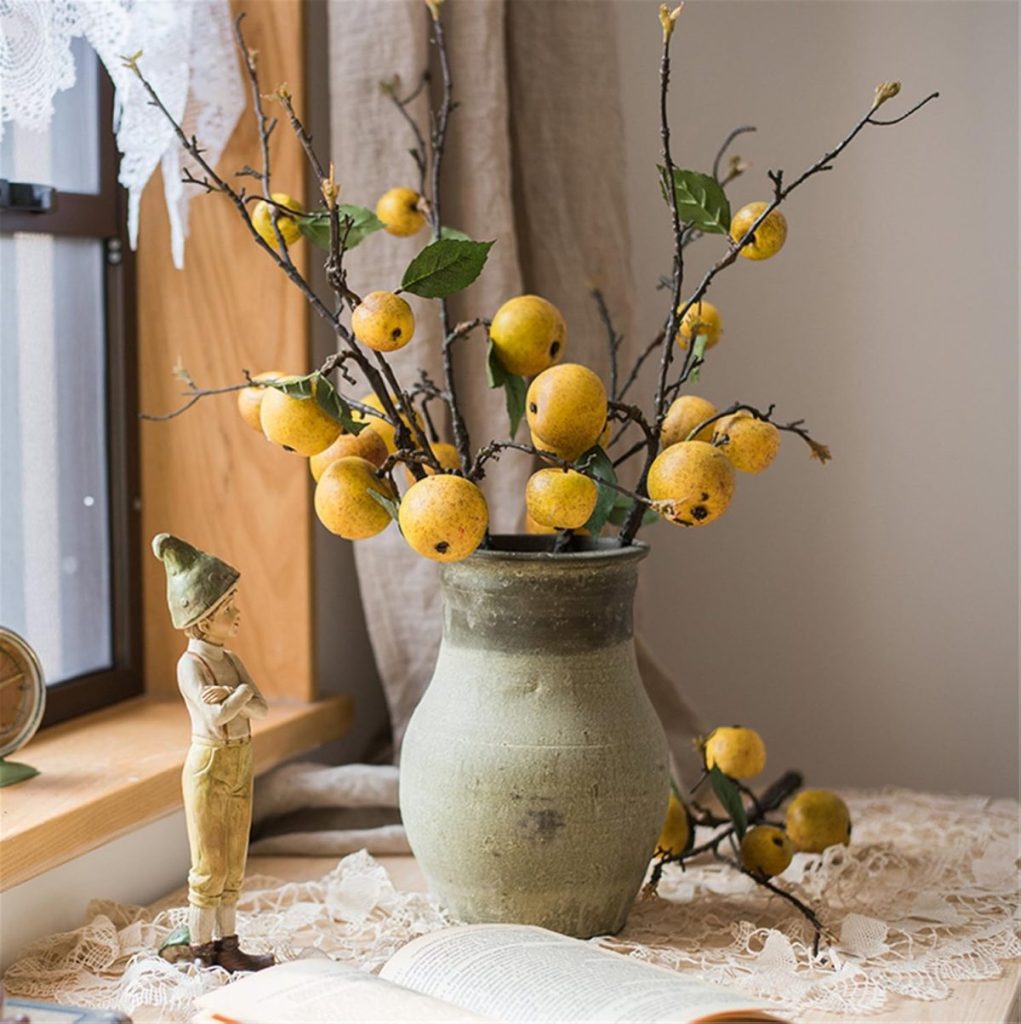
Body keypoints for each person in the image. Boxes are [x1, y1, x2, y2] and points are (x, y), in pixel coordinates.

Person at [152, 533, 274, 972]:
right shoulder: (192, 665)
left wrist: (236, 695)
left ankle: (228, 945)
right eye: (227, 610)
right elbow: (219, 714)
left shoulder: (232, 662)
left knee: (234, 864)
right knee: (209, 867)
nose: (237, 615)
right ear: (202, 621)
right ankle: (202, 950)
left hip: (241, 758)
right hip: (210, 764)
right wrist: (238, 698)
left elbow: (258, 706)